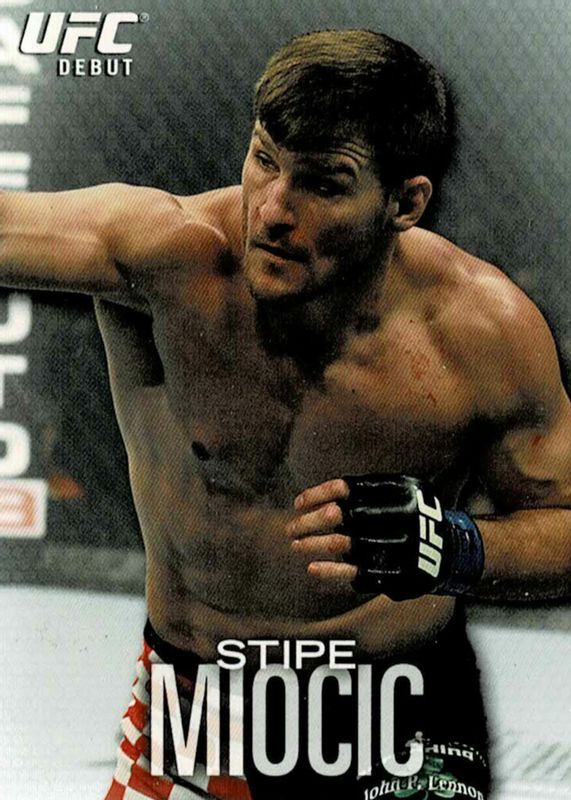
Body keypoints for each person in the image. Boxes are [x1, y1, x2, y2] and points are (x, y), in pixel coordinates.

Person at [1, 28, 570, 800]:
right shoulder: (167, 257)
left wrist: (456, 546)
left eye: (324, 184)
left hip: (399, 705)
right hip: (199, 704)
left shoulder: (482, 333)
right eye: (264, 159)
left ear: (405, 202)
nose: (271, 210)